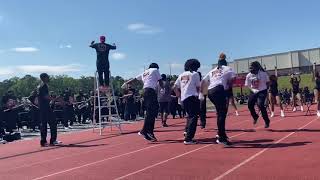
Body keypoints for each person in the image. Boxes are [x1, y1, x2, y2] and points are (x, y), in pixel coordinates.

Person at [122, 63, 163, 142]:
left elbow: (135, 79)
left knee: (151, 112)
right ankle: (144, 130)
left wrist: (126, 83)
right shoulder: (155, 70)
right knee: (151, 112)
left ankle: (149, 132)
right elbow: (160, 82)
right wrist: (162, 88)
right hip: (150, 91)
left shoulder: (145, 72)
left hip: (144, 91)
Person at [201, 57, 235, 146]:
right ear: (225, 63)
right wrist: (228, 86)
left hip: (210, 91)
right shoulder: (228, 68)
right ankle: (221, 137)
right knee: (222, 114)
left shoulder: (212, 71)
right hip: (219, 89)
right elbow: (233, 78)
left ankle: (221, 134)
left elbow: (203, 82)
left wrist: (201, 93)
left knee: (220, 113)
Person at [174, 59, 201, 145]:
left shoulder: (181, 75)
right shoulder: (195, 74)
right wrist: (200, 95)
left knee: (189, 116)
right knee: (193, 117)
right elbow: (198, 87)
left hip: (184, 98)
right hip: (192, 96)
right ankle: (189, 138)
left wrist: (179, 96)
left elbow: (174, 87)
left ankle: (187, 131)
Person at [245, 61, 270, 128]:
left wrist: (266, 89)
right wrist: (253, 90)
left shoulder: (263, 74)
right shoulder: (248, 75)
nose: (251, 70)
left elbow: (268, 82)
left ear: (257, 68)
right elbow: (247, 85)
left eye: (252, 68)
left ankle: (267, 121)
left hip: (262, 91)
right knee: (250, 105)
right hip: (253, 91)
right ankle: (255, 116)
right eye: (250, 68)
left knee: (260, 104)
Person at [38, 73, 61, 147]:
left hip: (42, 107)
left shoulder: (40, 86)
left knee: (44, 124)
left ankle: (44, 141)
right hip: (45, 107)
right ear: (44, 78)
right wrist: (54, 99)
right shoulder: (43, 86)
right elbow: (45, 96)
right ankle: (52, 140)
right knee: (53, 123)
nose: (49, 78)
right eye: (47, 77)